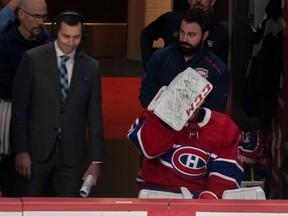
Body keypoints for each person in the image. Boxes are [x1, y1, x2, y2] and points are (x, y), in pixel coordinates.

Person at [12, 9, 105, 197]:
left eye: (76, 38)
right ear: (56, 32)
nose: (70, 43)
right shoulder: (32, 59)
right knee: (30, 208)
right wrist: (21, 151)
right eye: (66, 37)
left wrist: (96, 161)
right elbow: (20, 109)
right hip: (35, 152)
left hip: (72, 155)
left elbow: (95, 116)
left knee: (69, 209)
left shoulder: (91, 66)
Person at [128, 67, 243, 199]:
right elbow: (148, 148)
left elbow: (226, 175)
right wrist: (167, 119)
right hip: (155, 192)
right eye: (180, 96)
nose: (186, 102)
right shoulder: (153, 114)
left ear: (203, 98)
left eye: (191, 96)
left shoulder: (224, 126)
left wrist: (211, 200)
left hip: (198, 198)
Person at [0, 0, 51, 197]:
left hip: (42, 131)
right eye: (36, 16)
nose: (41, 22)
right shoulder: (5, 44)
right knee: (12, 187)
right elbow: (4, 88)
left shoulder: (48, 43)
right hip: (11, 128)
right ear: (21, 14)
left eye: (44, 16)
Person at [139, 8, 229, 113]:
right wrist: (165, 111)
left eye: (191, 35)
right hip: (160, 120)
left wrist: (197, 115)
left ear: (205, 35)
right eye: (182, 32)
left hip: (198, 127)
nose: (184, 39)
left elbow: (216, 109)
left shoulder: (218, 69)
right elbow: (146, 94)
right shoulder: (160, 57)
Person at [140, 0, 229, 68]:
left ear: (213, 1)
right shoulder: (170, 20)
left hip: (202, 86)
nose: (198, 0)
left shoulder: (220, 33)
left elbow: (221, 68)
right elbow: (146, 35)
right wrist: (149, 66)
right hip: (167, 81)